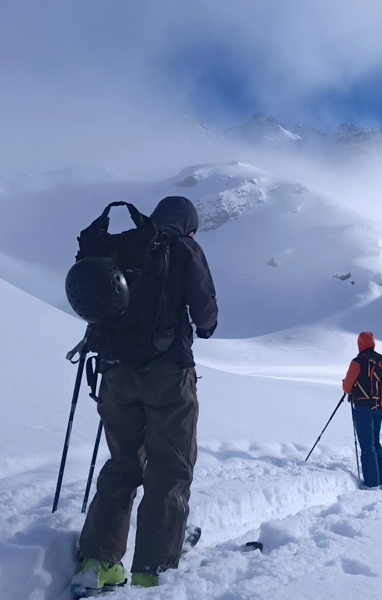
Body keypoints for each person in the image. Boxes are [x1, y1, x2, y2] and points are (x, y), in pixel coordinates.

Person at [72, 196, 217, 595]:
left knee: (122, 464)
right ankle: (152, 571)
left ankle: (98, 563)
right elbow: (205, 310)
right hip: (169, 374)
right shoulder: (184, 246)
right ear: (188, 224)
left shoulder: (123, 244)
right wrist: (205, 326)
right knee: (169, 470)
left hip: (116, 374)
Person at [342, 331, 382, 490]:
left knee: (367, 445)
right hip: (380, 406)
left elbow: (347, 386)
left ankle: (371, 484)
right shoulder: (381, 359)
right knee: (376, 443)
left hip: (363, 407)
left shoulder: (358, 361)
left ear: (360, 344)